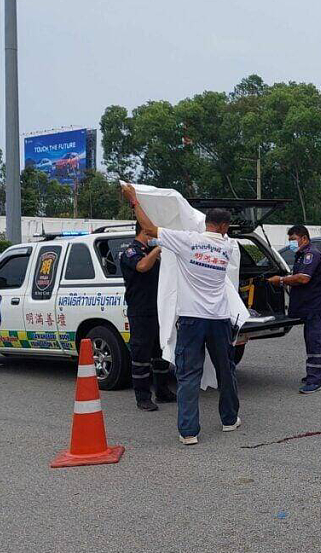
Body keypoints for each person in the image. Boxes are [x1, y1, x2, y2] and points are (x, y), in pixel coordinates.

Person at [122, 183, 241, 446]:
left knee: (188, 375)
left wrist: (134, 200)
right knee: (226, 370)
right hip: (219, 319)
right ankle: (229, 419)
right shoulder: (228, 246)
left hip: (191, 319)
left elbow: (150, 229)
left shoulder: (188, 241)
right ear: (223, 227)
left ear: (207, 223)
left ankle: (189, 432)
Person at [268, 225, 321, 394]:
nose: (291, 243)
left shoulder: (311, 255)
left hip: (317, 307)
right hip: (311, 306)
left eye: (293, 240)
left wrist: (281, 280)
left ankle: (314, 379)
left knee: (316, 341)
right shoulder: (301, 255)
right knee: (315, 340)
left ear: (304, 238)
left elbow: (303, 279)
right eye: (289, 240)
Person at [119, 222, 176, 412]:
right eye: (151, 231)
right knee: (141, 355)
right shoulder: (131, 252)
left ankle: (162, 391)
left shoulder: (152, 251)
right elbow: (142, 266)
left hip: (158, 310)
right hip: (140, 311)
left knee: (160, 353)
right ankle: (142, 397)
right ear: (144, 231)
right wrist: (158, 248)